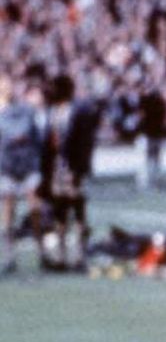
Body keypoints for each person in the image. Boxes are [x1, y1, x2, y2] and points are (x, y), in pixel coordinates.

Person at [37, 73, 100, 272]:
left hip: (73, 169)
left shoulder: (79, 112)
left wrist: (79, 169)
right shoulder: (52, 112)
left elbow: (84, 144)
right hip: (57, 167)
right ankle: (62, 256)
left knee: (79, 211)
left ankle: (80, 256)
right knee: (60, 211)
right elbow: (49, 144)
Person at [0, 74, 44, 275]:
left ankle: (41, 252)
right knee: (8, 210)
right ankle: (9, 255)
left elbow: (37, 137)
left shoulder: (25, 111)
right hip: (7, 168)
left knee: (35, 207)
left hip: (27, 167)